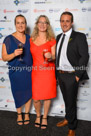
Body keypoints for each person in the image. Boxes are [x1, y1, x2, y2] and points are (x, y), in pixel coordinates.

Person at [56, 11, 89, 136]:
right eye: (62, 21)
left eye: (67, 21)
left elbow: (84, 57)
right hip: (60, 74)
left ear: (72, 22)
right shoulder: (58, 37)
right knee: (66, 100)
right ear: (60, 22)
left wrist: (77, 75)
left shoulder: (79, 36)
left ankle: (72, 127)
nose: (64, 23)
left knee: (71, 101)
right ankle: (67, 118)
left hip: (71, 75)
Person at [2, 14, 32, 125]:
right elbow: (4, 57)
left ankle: (27, 114)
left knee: (29, 92)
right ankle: (19, 114)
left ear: (26, 24)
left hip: (29, 71)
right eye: (18, 23)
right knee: (18, 92)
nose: (20, 25)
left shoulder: (30, 38)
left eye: (23, 22)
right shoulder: (8, 39)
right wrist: (14, 54)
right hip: (15, 71)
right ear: (15, 24)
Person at [30, 15, 56, 129]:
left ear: (48, 25)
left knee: (47, 97)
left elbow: (55, 56)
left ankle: (44, 117)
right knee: (35, 98)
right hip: (36, 72)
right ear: (37, 24)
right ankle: (38, 115)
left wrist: (51, 56)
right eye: (40, 22)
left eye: (45, 22)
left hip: (48, 71)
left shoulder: (52, 40)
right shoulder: (31, 40)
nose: (42, 24)